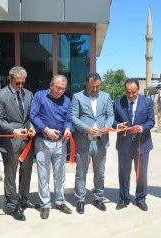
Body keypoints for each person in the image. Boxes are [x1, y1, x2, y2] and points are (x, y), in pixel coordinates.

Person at [0, 66, 38, 221]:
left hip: (27, 141)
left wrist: (31, 128)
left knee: (26, 172)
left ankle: (24, 199)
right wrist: (14, 130)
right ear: (10, 79)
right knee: (10, 175)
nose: (20, 86)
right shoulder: (0, 96)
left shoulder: (29, 94)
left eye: (22, 83)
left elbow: (30, 116)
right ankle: (13, 206)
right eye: (17, 83)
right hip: (10, 142)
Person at [30, 74, 73, 219]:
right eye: (58, 88)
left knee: (60, 174)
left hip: (61, 143)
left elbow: (68, 120)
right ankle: (45, 204)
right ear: (51, 85)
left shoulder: (67, 100)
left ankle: (60, 201)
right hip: (43, 141)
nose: (60, 91)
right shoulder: (39, 96)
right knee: (43, 175)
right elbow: (33, 116)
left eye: (63, 89)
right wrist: (46, 129)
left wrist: (68, 129)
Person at [71, 72, 114, 214]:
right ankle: (81, 200)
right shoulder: (77, 97)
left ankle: (98, 198)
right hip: (84, 141)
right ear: (86, 84)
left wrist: (107, 125)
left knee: (100, 172)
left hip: (101, 141)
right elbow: (74, 118)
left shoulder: (106, 96)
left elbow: (110, 115)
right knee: (81, 173)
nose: (95, 89)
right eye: (92, 87)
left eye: (97, 86)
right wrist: (86, 129)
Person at [113, 79, 155, 211]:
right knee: (124, 173)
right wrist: (118, 125)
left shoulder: (147, 102)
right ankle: (124, 198)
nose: (130, 95)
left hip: (142, 144)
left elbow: (151, 121)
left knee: (141, 173)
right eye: (128, 92)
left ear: (139, 90)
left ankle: (140, 198)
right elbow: (112, 119)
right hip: (124, 144)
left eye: (133, 93)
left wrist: (142, 128)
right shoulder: (118, 102)